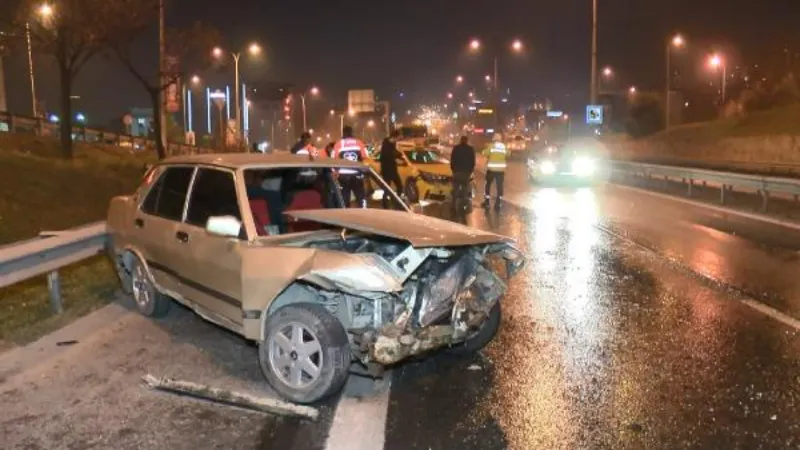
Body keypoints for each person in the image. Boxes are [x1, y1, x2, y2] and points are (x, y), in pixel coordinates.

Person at [331, 125, 368, 207]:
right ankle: (364, 212)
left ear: (343, 133)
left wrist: (335, 172)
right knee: (360, 196)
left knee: (345, 197)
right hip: (357, 174)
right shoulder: (358, 142)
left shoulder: (338, 144)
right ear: (352, 133)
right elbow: (365, 156)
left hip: (343, 175)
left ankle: (346, 214)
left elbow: (333, 160)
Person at [482, 132, 508, 209]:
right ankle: (498, 203)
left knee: (488, 185)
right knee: (499, 187)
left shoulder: (491, 146)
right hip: (501, 171)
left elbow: (484, 153)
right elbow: (508, 154)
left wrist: (486, 149)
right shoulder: (504, 147)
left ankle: (487, 203)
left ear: (494, 139)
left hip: (491, 170)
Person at [450, 135, 476, 211]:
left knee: (455, 189)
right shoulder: (470, 149)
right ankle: (463, 206)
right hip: (466, 173)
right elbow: (473, 162)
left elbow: (452, 159)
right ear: (467, 141)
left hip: (457, 172)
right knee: (465, 190)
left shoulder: (456, 148)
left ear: (460, 140)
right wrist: (470, 171)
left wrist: (453, 170)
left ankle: (453, 205)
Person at [379, 130, 404, 208]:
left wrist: (400, 155)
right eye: (399, 137)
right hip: (386, 170)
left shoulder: (393, 144)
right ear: (395, 137)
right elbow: (388, 155)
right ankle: (385, 205)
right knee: (387, 188)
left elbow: (394, 152)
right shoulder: (386, 144)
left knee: (399, 186)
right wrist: (397, 156)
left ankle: (396, 201)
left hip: (393, 169)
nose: (400, 138)